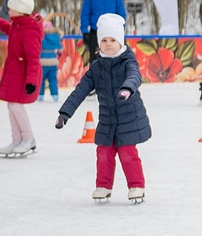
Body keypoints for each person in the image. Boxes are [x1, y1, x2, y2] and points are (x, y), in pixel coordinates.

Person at [55, 14, 151, 202]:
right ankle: (103, 186)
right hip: (107, 120)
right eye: (104, 40)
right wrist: (65, 113)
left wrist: (127, 88)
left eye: (112, 40)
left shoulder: (128, 62)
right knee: (103, 152)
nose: (108, 44)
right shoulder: (97, 67)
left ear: (120, 41)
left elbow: (134, 76)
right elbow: (80, 91)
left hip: (128, 117)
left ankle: (136, 186)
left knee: (127, 153)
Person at [0, 0, 43, 158]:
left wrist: (31, 80)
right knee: (11, 105)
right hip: (14, 72)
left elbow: (34, 58)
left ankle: (28, 138)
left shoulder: (29, 30)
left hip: (23, 75)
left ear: (20, 10)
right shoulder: (19, 25)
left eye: (11, 8)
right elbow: (9, 29)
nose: (8, 10)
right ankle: (17, 140)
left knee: (16, 105)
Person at [80, 0, 126, 65]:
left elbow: (121, 14)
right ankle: (95, 76)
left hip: (113, 30)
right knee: (94, 57)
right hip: (95, 30)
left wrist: (121, 29)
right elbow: (85, 14)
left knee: (115, 54)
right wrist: (85, 31)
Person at [39, 20, 62, 102]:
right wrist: (59, 53)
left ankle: (40, 95)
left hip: (42, 62)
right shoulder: (56, 37)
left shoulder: (41, 37)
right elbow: (60, 49)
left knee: (41, 79)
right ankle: (55, 95)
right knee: (53, 79)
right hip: (53, 62)